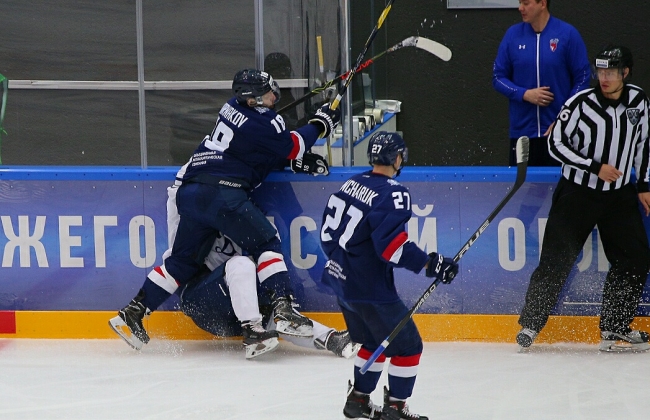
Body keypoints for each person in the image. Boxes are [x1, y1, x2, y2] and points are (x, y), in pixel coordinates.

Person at [109, 68, 340, 350]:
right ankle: (284, 307)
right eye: (266, 92)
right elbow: (293, 145)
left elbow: (249, 150)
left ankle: (133, 312)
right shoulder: (265, 122)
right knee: (267, 242)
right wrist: (321, 124)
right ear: (252, 100)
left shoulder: (230, 107)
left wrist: (289, 160)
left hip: (192, 192)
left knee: (183, 261)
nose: (273, 94)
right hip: (223, 193)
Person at [516, 45, 650, 352]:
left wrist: (643, 184)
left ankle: (614, 326)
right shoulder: (580, 104)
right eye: (600, 72)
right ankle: (532, 324)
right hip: (578, 194)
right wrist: (595, 167)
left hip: (619, 196)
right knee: (556, 258)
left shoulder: (639, 102)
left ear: (625, 73)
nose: (604, 78)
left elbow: (644, 143)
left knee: (635, 257)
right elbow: (556, 144)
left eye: (611, 73)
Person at [320, 131, 459, 420]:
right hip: (369, 288)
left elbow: (327, 236)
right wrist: (432, 265)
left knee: (374, 342)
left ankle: (358, 400)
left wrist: (345, 264)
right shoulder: (393, 192)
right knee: (408, 346)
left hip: (340, 281)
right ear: (397, 158)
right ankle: (396, 408)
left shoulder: (351, 183)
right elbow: (393, 249)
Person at [178, 231, 361, 359]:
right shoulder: (199, 218)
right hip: (205, 305)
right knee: (240, 264)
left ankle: (334, 341)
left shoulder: (259, 229)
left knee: (281, 316)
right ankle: (252, 332)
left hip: (234, 319)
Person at [492, 0, 591, 166]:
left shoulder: (567, 34)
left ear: (542, 4)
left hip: (559, 134)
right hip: (522, 134)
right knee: (523, 190)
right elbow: (497, 77)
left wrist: (564, 118)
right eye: (519, 2)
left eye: (526, 3)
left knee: (558, 190)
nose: (520, 8)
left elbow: (582, 77)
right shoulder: (513, 35)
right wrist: (524, 94)